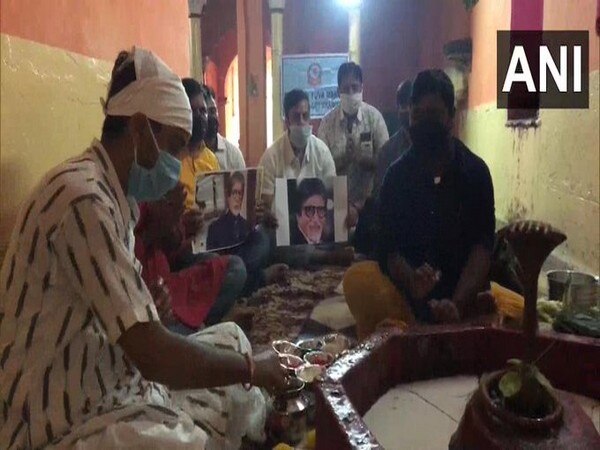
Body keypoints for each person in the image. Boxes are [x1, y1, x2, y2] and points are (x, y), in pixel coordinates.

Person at [0, 48, 284, 449]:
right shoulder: (83, 200)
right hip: (60, 416)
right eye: (173, 145)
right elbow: (152, 353)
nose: (177, 162)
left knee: (233, 339)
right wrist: (254, 369)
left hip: (114, 375)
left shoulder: (115, 195)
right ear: (138, 130)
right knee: (185, 438)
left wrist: (144, 301)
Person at [344, 69, 496, 339]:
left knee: (507, 310)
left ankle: (446, 324)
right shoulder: (396, 177)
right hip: (409, 298)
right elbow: (388, 249)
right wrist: (411, 279)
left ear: (451, 117)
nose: (424, 124)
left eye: (434, 116)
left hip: (463, 296)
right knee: (358, 281)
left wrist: (456, 303)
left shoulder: (475, 172)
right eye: (417, 116)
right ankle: (415, 325)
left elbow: (482, 246)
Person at [258, 89, 353, 267]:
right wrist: (270, 216)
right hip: (288, 234)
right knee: (269, 237)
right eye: (296, 117)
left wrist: (344, 212)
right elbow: (266, 204)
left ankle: (319, 253)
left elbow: (334, 195)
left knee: (353, 230)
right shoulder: (270, 157)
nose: (302, 122)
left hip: (319, 227)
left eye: (305, 115)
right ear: (286, 120)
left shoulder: (321, 151)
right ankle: (325, 257)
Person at [318, 62, 389, 229]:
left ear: (362, 88)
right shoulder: (327, 124)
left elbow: (387, 162)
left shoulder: (374, 118)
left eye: (355, 87)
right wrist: (342, 160)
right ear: (338, 92)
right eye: (346, 88)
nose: (351, 93)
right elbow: (319, 170)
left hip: (369, 205)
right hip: (333, 207)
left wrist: (365, 161)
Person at [353, 79, 413, 257]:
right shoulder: (388, 151)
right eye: (402, 105)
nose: (407, 111)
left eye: (411, 105)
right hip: (396, 231)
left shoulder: (439, 151)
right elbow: (382, 201)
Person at [179, 78, 221, 209]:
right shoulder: (171, 160)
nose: (200, 117)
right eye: (193, 111)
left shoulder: (210, 159)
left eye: (203, 111)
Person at [204, 86, 246, 171]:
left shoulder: (233, 155)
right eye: (206, 112)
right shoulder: (190, 155)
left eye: (213, 111)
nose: (212, 117)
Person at [207, 171, 251, 250]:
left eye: (240, 193)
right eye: (234, 192)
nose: (237, 198)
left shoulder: (247, 225)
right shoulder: (214, 228)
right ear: (228, 196)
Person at [290, 178, 329, 245]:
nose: (316, 219)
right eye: (310, 210)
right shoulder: (290, 243)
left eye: (321, 210)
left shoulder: (329, 242)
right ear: (298, 215)